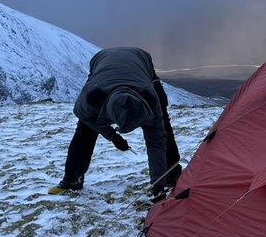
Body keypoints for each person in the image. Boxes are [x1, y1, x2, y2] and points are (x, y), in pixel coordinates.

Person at [50, 47, 182, 198]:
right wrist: (113, 136)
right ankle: (72, 179)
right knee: (84, 130)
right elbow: (85, 117)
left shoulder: (151, 100)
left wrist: (158, 183)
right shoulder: (93, 98)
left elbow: (157, 140)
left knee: (163, 123)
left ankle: (170, 174)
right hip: (101, 61)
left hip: (141, 60)